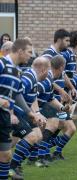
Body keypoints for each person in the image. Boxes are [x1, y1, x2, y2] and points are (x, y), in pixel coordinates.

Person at [0, 38, 40, 180]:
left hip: (4, 116)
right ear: (20, 51)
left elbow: (17, 94)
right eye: (29, 52)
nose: (31, 56)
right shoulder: (1, 63)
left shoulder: (17, 71)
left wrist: (30, 113)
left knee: (5, 155)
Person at [9, 57, 49, 179]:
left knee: (36, 135)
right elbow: (14, 93)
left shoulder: (33, 78)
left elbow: (32, 98)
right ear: (43, 69)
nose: (49, 73)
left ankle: (14, 165)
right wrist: (11, 114)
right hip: (15, 113)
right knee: (31, 137)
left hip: (22, 114)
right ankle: (12, 167)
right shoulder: (28, 78)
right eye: (48, 70)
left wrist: (37, 113)